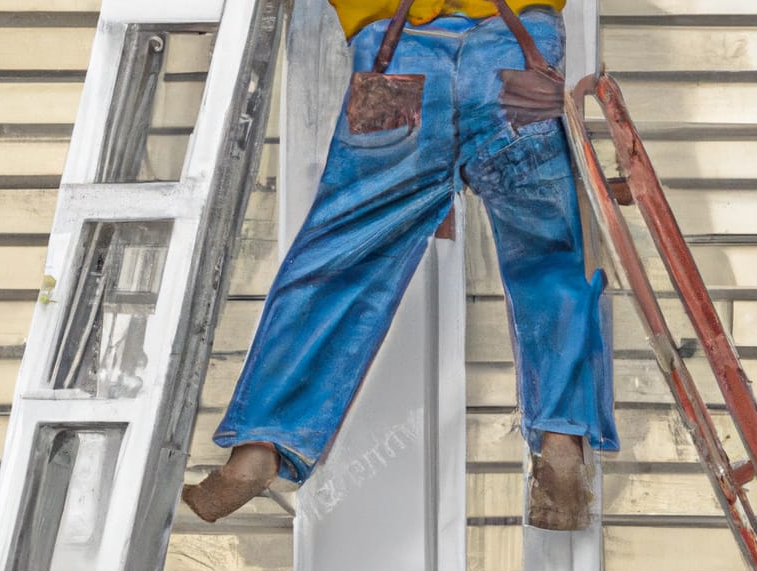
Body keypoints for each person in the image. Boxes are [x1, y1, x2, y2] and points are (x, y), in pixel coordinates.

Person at [182, 0, 619, 531]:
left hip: (398, 50)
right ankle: (561, 443)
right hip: (515, 51)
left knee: (339, 261)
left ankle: (261, 446)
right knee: (550, 259)